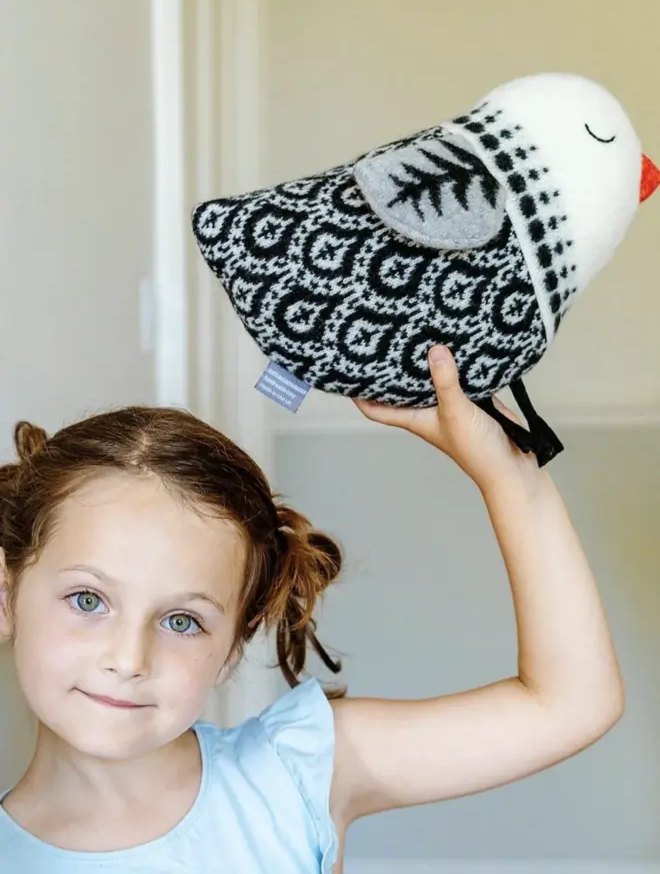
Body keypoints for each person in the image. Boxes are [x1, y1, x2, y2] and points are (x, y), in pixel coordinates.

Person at [0, 345, 623, 873]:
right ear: (8, 597)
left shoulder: (295, 774)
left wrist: (507, 471)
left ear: (232, 648)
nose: (129, 658)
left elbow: (570, 704)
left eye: (182, 621)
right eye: (88, 600)